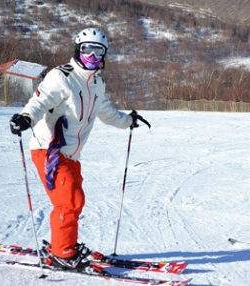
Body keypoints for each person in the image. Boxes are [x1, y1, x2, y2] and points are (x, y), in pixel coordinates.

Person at [9, 27, 148, 269]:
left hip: (72, 155)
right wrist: (26, 118)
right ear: (78, 50)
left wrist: (127, 121)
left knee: (73, 201)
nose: (92, 57)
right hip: (48, 150)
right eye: (87, 51)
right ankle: (63, 252)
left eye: (98, 52)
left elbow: (106, 112)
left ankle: (63, 245)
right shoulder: (61, 76)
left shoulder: (96, 83)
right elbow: (40, 101)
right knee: (70, 201)